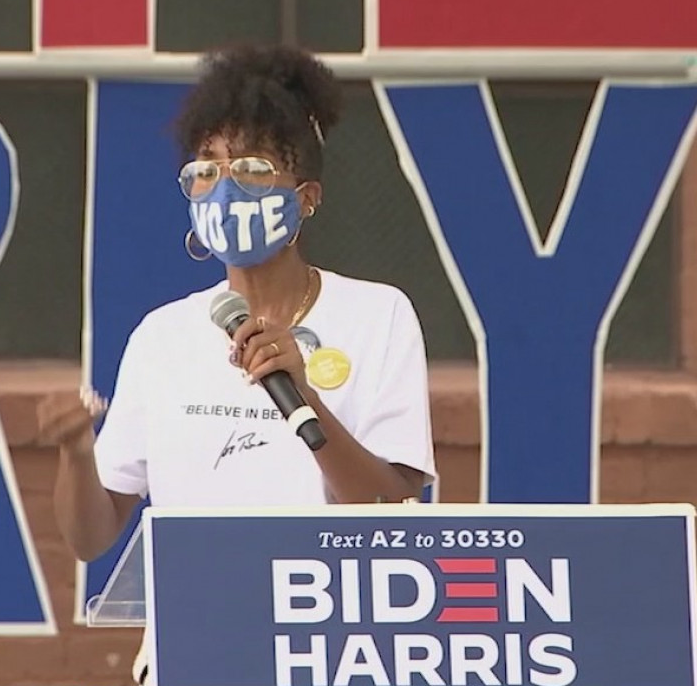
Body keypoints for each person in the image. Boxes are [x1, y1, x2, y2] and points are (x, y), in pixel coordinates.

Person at [36, 43, 437, 685]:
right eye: (206, 170)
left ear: (305, 197)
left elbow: (389, 505)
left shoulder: (378, 315)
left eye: (252, 169)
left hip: (331, 655)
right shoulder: (162, 336)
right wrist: (76, 454)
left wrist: (305, 398)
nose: (225, 189)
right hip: (192, 655)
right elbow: (91, 537)